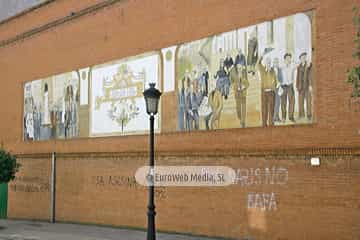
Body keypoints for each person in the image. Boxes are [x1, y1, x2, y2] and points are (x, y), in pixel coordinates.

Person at [256, 54, 278, 127]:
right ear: (265, 63)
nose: (268, 63)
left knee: (271, 109)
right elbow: (258, 63)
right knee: (264, 109)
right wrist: (261, 56)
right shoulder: (262, 69)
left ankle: (271, 123)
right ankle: (264, 124)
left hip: (271, 92)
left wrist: (275, 87)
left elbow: (276, 81)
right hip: (264, 92)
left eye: (269, 62)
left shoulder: (273, 71)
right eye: (267, 62)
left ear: (270, 63)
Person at [230, 63, 249, 128]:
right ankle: (240, 118)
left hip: (243, 93)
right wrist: (236, 87)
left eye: (240, 68)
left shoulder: (244, 74)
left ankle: (243, 121)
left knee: (243, 107)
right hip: (237, 93)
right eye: (238, 68)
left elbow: (247, 83)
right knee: (238, 108)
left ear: (242, 68)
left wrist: (244, 86)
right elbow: (232, 82)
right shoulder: (234, 75)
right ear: (237, 69)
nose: (239, 69)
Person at [296, 52, 313, 120]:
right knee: (300, 102)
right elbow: (297, 77)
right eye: (302, 57)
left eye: (304, 57)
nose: (303, 58)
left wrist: (311, 85)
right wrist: (297, 86)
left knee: (308, 101)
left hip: (307, 86)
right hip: (300, 87)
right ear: (300, 59)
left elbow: (311, 76)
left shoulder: (309, 65)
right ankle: (301, 115)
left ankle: (309, 115)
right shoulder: (299, 67)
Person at [280, 53, 296, 122]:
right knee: (283, 102)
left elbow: (297, 64)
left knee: (292, 101)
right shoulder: (281, 66)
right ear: (284, 59)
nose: (288, 60)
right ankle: (283, 117)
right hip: (283, 86)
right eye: (287, 58)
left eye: (289, 58)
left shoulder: (292, 65)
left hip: (290, 86)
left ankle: (291, 117)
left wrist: (292, 62)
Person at [272, 58, 283, 123]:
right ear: (273, 63)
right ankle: (273, 118)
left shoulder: (280, 70)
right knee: (273, 103)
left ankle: (277, 117)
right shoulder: (271, 69)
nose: (276, 63)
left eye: (277, 62)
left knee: (278, 103)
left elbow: (281, 79)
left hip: (278, 89)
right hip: (272, 89)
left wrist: (279, 83)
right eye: (275, 62)